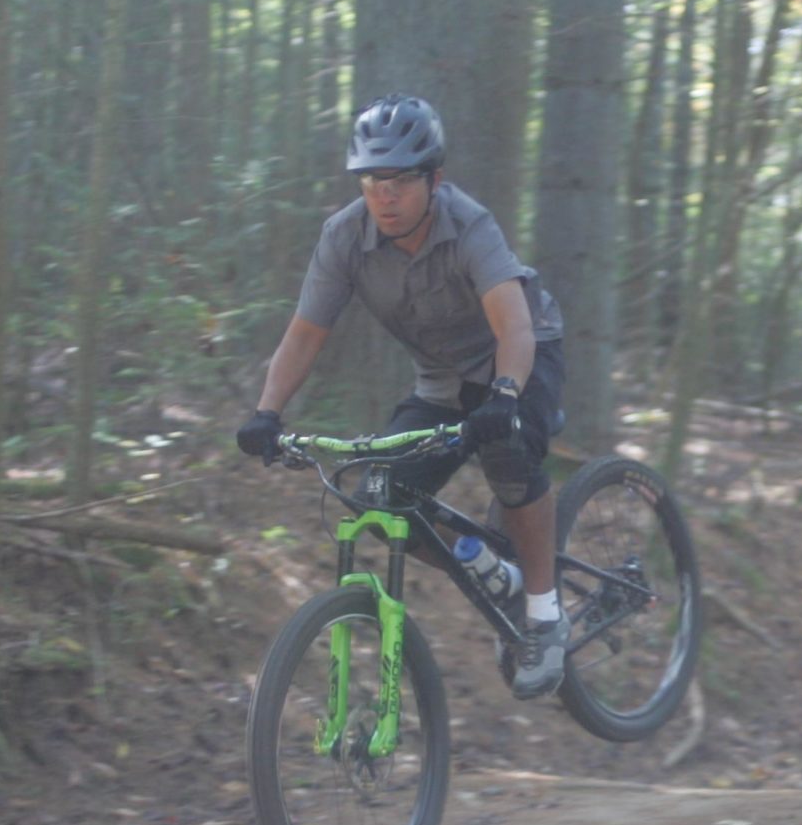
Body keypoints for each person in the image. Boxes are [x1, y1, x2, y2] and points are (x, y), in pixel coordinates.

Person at [236, 94, 570, 698]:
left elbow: (513, 328)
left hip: (523, 356)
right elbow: (306, 331)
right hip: (442, 382)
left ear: (433, 179)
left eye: (399, 180)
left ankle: (545, 615)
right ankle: (490, 570)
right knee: (383, 498)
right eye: (370, 180)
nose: (383, 195)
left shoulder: (469, 225)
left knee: (508, 454)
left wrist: (505, 394)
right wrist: (267, 412)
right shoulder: (344, 237)